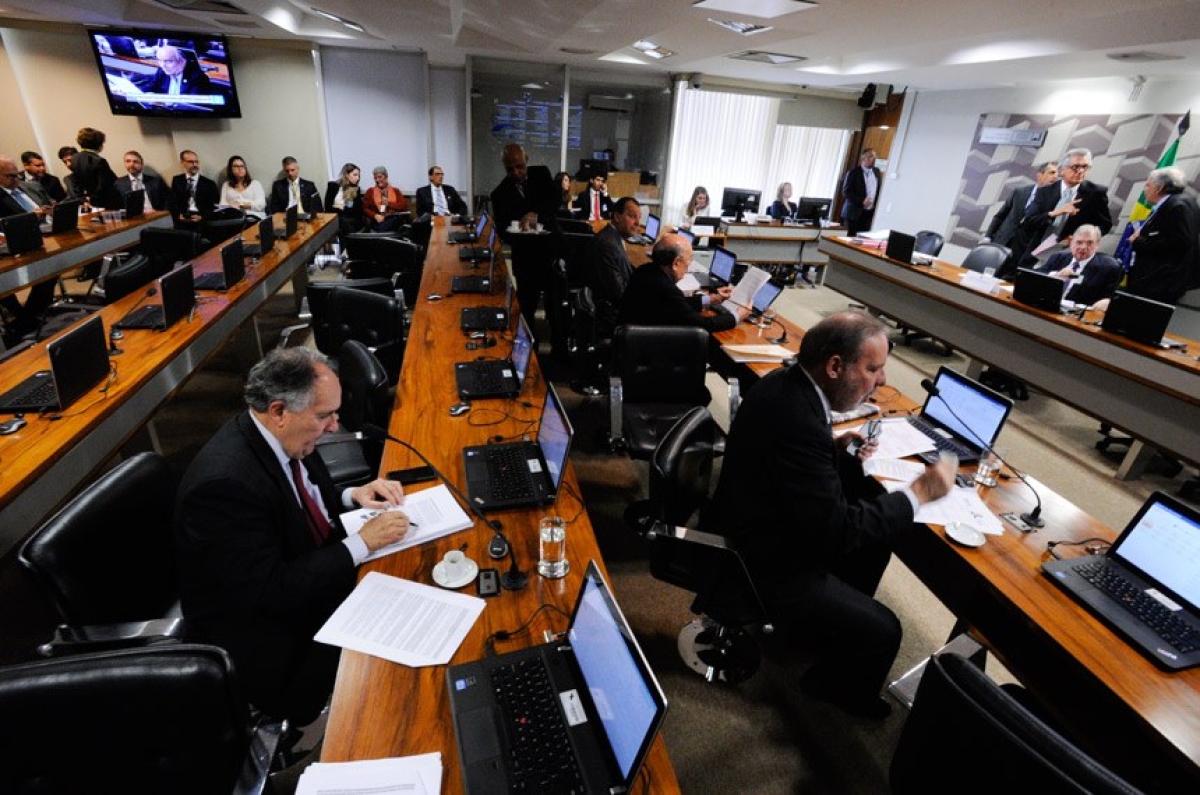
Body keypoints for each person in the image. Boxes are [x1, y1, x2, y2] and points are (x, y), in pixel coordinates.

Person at [701, 311, 956, 719]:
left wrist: (834, 451)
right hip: (763, 556)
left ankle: (821, 631)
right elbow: (836, 532)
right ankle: (831, 687)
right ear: (835, 366)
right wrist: (919, 493)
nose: (883, 381)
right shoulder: (800, 417)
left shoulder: (786, 384)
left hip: (755, 516)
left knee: (875, 546)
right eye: (873, 368)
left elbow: (787, 462)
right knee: (886, 629)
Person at [176, 347, 412, 724]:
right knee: (400, 667)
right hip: (273, 637)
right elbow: (272, 591)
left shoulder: (282, 436)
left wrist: (353, 495)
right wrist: (362, 542)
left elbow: (297, 501)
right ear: (280, 411)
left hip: (302, 579)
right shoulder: (224, 486)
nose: (335, 426)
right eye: (325, 416)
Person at [489, 143, 561, 339]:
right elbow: (503, 231)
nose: (516, 172)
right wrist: (519, 229)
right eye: (509, 168)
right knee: (527, 309)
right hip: (526, 259)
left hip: (551, 252)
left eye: (519, 166)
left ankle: (560, 351)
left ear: (526, 159)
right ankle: (530, 351)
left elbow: (556, 200)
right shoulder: (499, 194)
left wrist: (537, 215)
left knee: (556, 307)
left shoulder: (541, 174)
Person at [1010, 148, 1113, 275]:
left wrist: (1082, 238)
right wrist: (1054, 213)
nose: (1081, 171)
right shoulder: (1045, 192)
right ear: (1062, 170)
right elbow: (1028, 222)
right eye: (1076, 167)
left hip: (1068, 257)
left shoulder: (1096, 193)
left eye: (1085, 167)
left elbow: (1105, 225)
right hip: (1035, 253)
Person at [617, 232, 748, 332]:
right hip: (645, 350)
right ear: (676, 263)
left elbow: (678, 305)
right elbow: (702, 325)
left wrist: (711, 299)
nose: (689, 265)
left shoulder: (646, 270)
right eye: (689, 260)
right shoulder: (664, 288)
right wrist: (736, 316)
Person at [0, 155, 56, 340]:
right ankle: (23, 319)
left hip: (45, 235)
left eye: (17, 175)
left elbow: (48, 202)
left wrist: (50, 210)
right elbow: (5, 225)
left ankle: (29, 316)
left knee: (54, 266)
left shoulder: (28, 187)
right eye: (10, 176)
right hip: (14, 245)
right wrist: (31, 218)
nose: (17, 179)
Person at [583, 196, 640, 339]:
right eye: (632, 216)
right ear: (617, 216)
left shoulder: (612, 237)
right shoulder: (608, 245)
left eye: (639, 218)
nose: (637, 223)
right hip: (612, 316)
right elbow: (619, 294)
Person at [1035, 224, 1122, 306]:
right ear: (1071, 242)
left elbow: (1111, 297)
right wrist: (1055, 275)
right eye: (1079, 242)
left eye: (1089, 243)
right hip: (1048, 306)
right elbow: (1034, 276)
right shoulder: (1058, 257)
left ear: (1097, 245)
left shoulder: (1109, 268)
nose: (1083, 247)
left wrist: (1107, 302)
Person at [982, 161, 1058, 253]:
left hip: (1021, 250)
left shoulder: (1054, 202)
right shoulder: (1020, 192)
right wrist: (988, 236)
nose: (1055, 177)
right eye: (1052, 173)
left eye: (1057, 174)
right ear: (1039, 175)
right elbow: (1000, 216)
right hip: (1000, 241)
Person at [69, 127, 119, 209]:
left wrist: (85, 198)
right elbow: (105, 185)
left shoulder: (75, 158)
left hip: (91, 202)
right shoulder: (99, 161)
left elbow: (76, 182)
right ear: (99, 144)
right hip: (106, 202)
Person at [169, 149, 219, 229]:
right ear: (183, 163)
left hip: (201, 220)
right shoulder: (177, 180)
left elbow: (215, 206)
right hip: (182, 219)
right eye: (191, 162)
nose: (195, 164)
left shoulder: (209, 183)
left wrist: (202, 216)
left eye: (197, 162)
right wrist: (178, 215)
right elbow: (172, 202)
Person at [141, 44, 213, 97]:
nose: (163, 66)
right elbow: (150, 87)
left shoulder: (197, 78)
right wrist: (147, 94)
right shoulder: (162, 71)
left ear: (181, 62)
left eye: (168, 61)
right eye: (160, 61)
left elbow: (193, 106)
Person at [841, 149, 881, 236]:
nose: (874, 159)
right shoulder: (853, 173)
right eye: (871, 156)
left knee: (862, 240)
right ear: (863, 158)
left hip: (869, 214)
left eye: (875, 157)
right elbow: (846, 192)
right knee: (849, 240)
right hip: (853, 214)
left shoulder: (877, 172)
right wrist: (861, 200)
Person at [361, 166, 410, 233]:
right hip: (377, 221)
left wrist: (388, 203)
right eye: (375, 178)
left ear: (386, 177)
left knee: (395, 219)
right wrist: (375, 215)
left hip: (392, 220)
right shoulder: (370, 191)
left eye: (380, 177)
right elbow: (365, 209)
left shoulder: (396, 191)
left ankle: (379, 232)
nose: (377, 180)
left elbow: (403, 207)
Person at [324, 162, 365, 238]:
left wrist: (340, 207)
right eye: (355, 175)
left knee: (346, 223)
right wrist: (344, 208)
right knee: (342, 222)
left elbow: (358, 210)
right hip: (338, 219)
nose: (358, 178)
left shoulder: (357, 189)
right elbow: (328, 209)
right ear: (346, 174)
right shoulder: (333, 186)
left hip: (352, 220)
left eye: (358, 175)